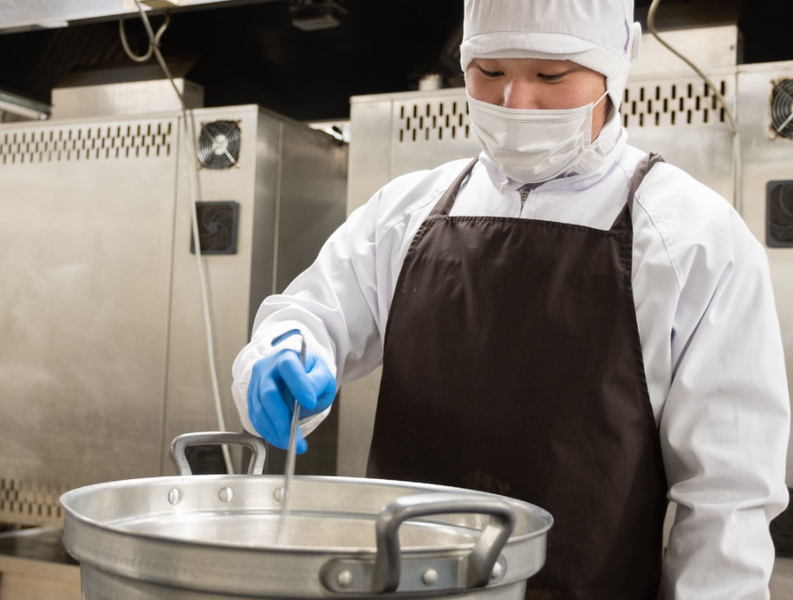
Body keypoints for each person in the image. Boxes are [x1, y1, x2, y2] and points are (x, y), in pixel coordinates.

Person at [232, 0, 791, 597]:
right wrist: (287, 354)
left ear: (616, 67)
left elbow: (726, 499)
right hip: (401, 581)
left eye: (551, 75)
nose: (515, 102)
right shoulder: (406, 212)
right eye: (490, 72)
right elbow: (312, 315)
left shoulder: (694, 239)